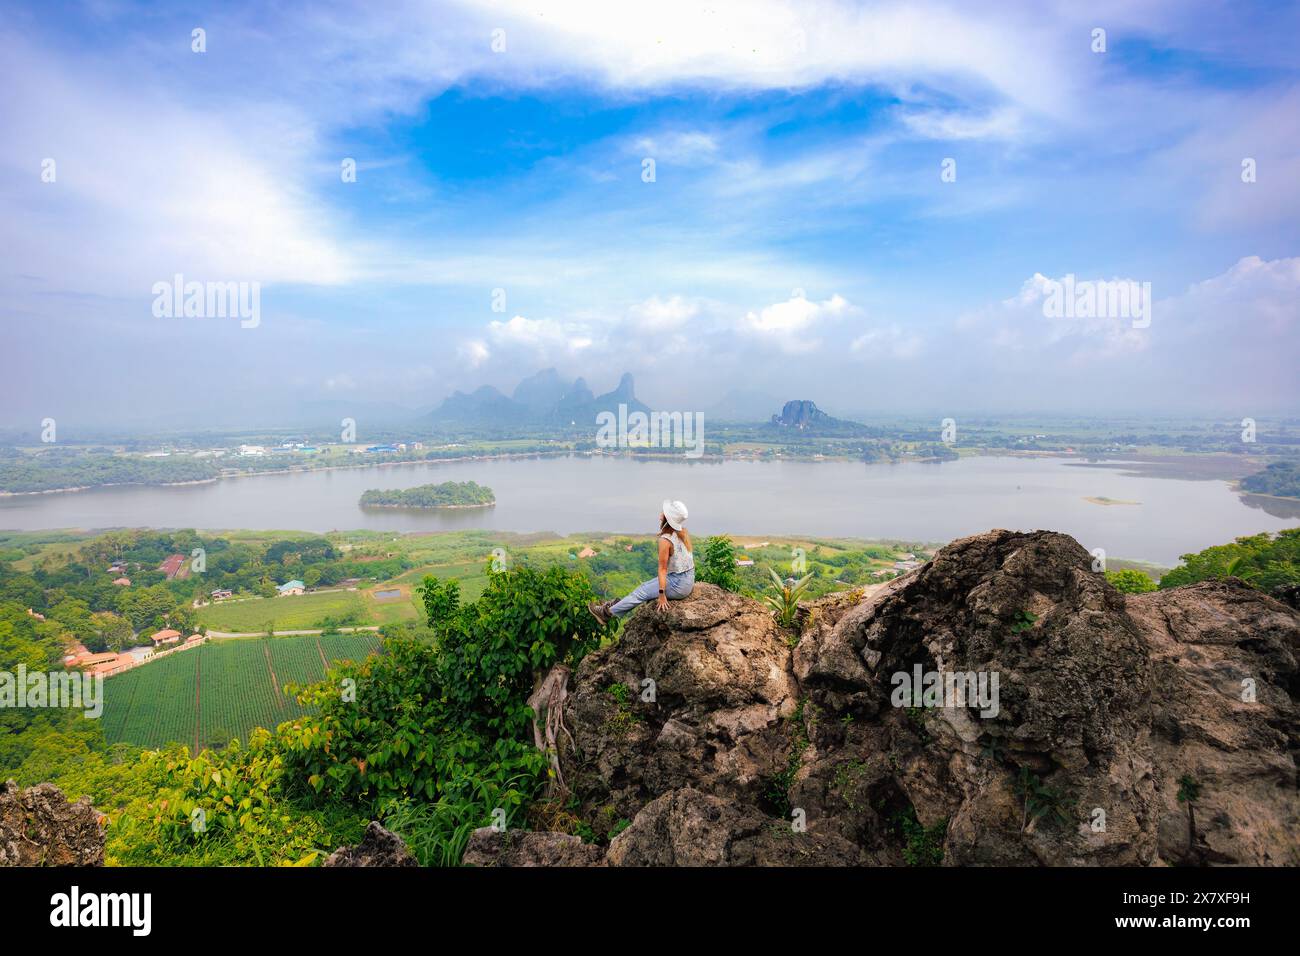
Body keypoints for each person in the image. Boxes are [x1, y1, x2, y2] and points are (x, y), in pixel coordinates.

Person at [589, 499, 694, 624]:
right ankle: (614, 605)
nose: (661, 513)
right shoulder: (681, 532)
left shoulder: (665, 540)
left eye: (664, 512)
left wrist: (661, 594)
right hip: (687, 579)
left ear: (667, 517)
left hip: (678, 584)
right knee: (644, 586)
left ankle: (606, 614)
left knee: (641, 592)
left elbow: (662, 568)